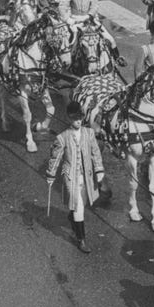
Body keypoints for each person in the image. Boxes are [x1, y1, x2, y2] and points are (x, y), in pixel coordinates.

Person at [46, 100, 105, 252]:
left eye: (80, 118)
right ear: (69, 119)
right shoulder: (62, 137)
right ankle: (81, 239)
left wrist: (99, 169)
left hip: (86, 176)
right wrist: (51, 174)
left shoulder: (89, 133)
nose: (78, 121)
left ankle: (73, 218)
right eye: (74, 119)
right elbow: (55, 157)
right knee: (78, 206)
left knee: (81, 203)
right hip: (70, 176)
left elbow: (95, 152)